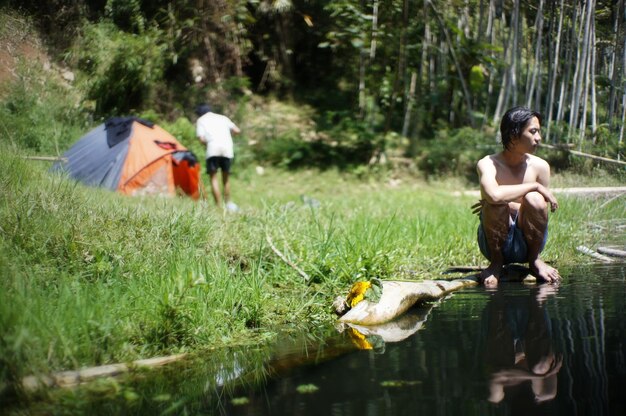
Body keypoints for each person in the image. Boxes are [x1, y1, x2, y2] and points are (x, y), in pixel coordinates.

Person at [474, 106, 560, 287]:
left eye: (539, 132)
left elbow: (538, 210)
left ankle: (535, 260)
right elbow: (494, 196)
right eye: (533, 132)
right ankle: (496, 264)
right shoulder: (488, 163)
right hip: (494, 245)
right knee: (496, 205)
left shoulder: (540, 166)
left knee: (534, 199)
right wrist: (534, 186)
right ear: (513, 136)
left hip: (529, 244)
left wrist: (506, 201)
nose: (539, 138)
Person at [195, 103, 241, 210]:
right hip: (227, 149)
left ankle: (219, 206)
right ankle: (228, 203)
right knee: (226, 179)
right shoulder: (223, 118)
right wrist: (228, 137)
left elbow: (201, 139)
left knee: (214, 178)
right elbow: (237, 130)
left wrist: (208, 144)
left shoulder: (201, 120)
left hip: (212, 149)